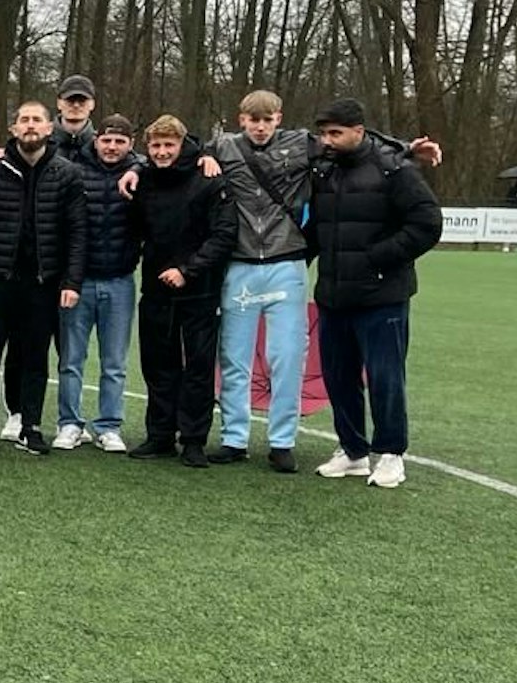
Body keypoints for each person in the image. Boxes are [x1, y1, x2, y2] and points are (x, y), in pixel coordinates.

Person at [190, 89, 439, 473]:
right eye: (252, 119)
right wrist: (198, 154)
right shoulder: (223, 147)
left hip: (295, 266)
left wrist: (407, 148)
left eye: (267, 119)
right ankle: (235, 438)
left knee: (288, 357)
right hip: (246, 267)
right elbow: (177, 149)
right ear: (240, 119)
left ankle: (285, 441)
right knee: (236, 359)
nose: (259, 127)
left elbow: (365, 147)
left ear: (279, 118)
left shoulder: (307, 146)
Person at [307, 98, 443, 488]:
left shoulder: (395, 170)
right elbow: (317, 228)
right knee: (338, 376)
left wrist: (377, 258)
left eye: (335, 133)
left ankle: (391, 454)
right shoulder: (323, 171)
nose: (327, 141)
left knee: (385, 377)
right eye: (324, 133)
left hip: (382, 296)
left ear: (359, 132)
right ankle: (351, 451)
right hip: (333, 296)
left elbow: (427, 223)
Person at [0, 100, 87, 455]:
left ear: (51, 128)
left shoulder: (67, 173)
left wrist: (71, 282)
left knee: (36, 357)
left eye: (37, 120)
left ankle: (31, 426)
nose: (30, 125)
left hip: (43, 283)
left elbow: (77, 232)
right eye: (23, 120)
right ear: (13, 128)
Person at [130, 115, 238, 467]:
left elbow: (223, 234)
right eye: (156, 146)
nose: (162, 152)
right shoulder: (142, 179)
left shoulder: (208, 178)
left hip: (199, 291)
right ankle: (160, 434)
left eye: (169, 145)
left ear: (181, 145)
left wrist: (188, 270)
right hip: (155, 289)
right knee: (158, 364)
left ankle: (193, 439)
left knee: (198, 367)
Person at [54, 115, 142, 452]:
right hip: (78, 280)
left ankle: (109, 425)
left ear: (130, 144)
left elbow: (185, 152)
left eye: (120, 141)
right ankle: (69, 423)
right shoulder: (74, 169)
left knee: (115, 362)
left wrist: (139, 169)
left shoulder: (140, 172)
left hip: (120, 280)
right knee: (71, 359)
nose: (112, 147)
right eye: (107, 140)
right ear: (97, 140)